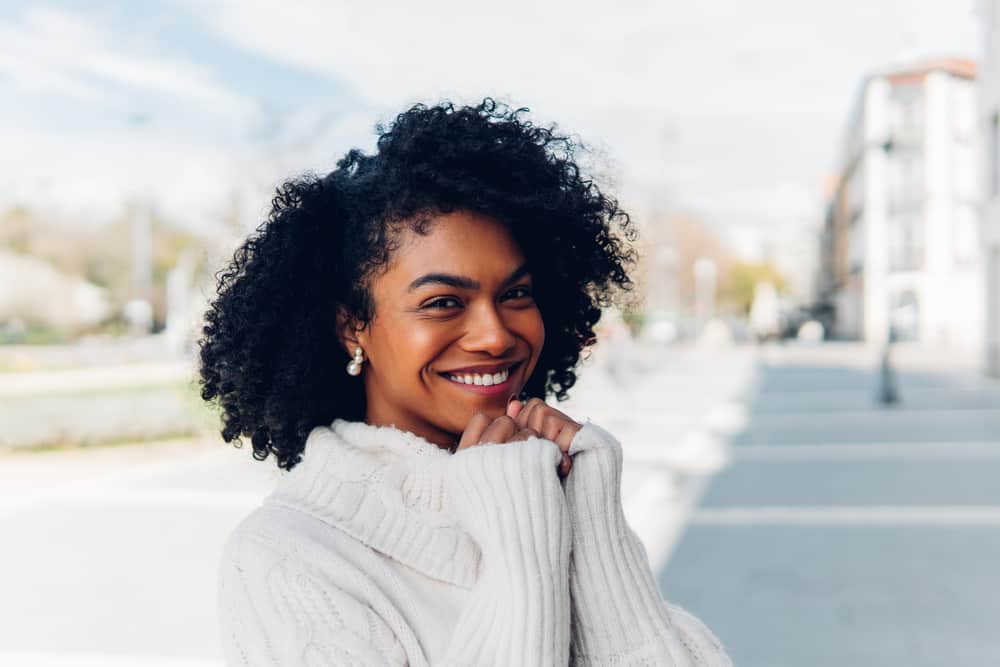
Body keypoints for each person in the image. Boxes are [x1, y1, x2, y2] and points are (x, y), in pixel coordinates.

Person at [199, 99, 732, 666]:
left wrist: (595, 535)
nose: (495, 335)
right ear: (352, 324)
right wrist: (521, 547)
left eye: (516, 294)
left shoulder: (554, 485)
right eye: (443, 302)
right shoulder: (290, 558)